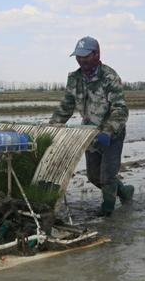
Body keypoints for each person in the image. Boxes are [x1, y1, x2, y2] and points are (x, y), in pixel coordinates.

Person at [49, 36, 134, 216]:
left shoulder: (109, 77)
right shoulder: (75, 79)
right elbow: (66, 106)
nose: (81, 60)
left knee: (107, 177)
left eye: (85, 56)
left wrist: (108, 132)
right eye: (78, 56)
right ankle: (125, 192)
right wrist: (51, 128)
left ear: (96, 54)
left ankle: (108, 212)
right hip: (88, 133)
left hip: (112, 134)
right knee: (93, 177)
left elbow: (120, 109)